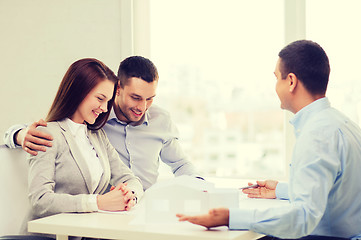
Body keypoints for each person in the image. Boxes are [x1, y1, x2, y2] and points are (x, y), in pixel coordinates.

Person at [176, 40, 361, 239]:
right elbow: (329, 191)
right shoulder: (342, 124)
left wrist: (231, 217)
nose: (275, 87)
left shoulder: (317, 135)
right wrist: (279, 189)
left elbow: (303, 218)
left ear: (291, 81)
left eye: (276, 78)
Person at [4, 56, 201, 190]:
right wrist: (19, 135)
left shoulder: (161, 120)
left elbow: (181, 164)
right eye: (136, 97)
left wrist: (200, 186)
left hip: (144, 212)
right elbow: (54, 125)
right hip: (103, 214)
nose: (143, 107)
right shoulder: (94, 117)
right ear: (118, 89)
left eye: (150, 98)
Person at [21, 58, 143, 236]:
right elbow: (40, 200)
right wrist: (98, 202)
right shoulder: (47, 133)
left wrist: (129, 196)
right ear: (79, 91)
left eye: (108, 101)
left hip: (86, 234)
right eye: (100, 99)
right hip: (50, 236)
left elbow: (131, 179)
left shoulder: (97, 136)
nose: (104, 108)